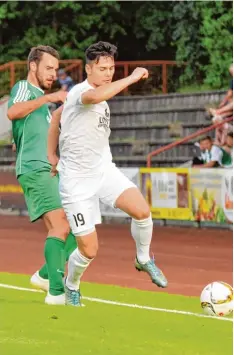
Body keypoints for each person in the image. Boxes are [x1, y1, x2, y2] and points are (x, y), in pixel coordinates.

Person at [48, 41, 168, 307]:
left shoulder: (100, 98)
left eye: (111, 68)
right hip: (76, 183)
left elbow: (57, 117)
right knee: (89, 250)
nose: (108, 73)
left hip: (103, 171)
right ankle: (72, 284)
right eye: (102, 68)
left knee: (142, 211)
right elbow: (85, 102)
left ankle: (144, 258)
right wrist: (52, 155)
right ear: (88, 69)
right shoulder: (82, 92)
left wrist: (51, 153)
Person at [7, 45, 77, 305]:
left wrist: (53, 155)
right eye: (48, 68)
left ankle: (46, 275)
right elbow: (12, 112)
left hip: (45, 166)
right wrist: (49, 99)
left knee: (77, 228)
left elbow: (26, 129)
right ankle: (57, 293)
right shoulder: (25, 89)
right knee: (61, 226)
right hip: (34, 169)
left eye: (56, 70)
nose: (53, 74)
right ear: (33, 66)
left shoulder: (39, 101)